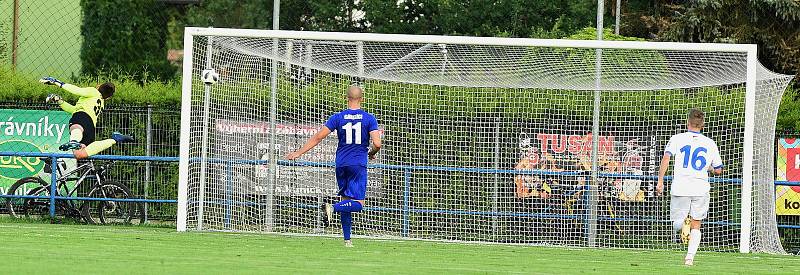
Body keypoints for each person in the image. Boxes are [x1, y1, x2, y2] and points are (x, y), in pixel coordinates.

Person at [286, 85, 382, 247]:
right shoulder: (369, 118)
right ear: (362, 99)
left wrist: (299, 152)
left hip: (341, 163)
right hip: (358, 164)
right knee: (358, 204)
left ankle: (347, 240)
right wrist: (372, 153)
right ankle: (332, 208)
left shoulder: (338, 117)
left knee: (346, 199)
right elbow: (378, 143)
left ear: (346, 98)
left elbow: (318, 137)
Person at [657, 109, 723, 266]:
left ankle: (681, 223)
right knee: (696, 224)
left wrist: (660, 181)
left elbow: (666, 158)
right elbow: (719, 170)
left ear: (688, 122)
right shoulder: (710, 143)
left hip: (681, 186)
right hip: (700, 187)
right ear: (703, 125)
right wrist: (711, 169)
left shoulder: (677, 139)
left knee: (677, 222)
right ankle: (689, 258)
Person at [41, 77, 134, 159]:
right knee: (79, 154)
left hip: (82, 117)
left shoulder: (94, 91)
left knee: (76, 127)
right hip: (90, 128)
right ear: (107, 98)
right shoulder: (101, 103)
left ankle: (74, 141)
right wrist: (59, 101)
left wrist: (57, 83)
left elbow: (76, 90)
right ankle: (114, 139)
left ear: (98, 86)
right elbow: (73, 110)